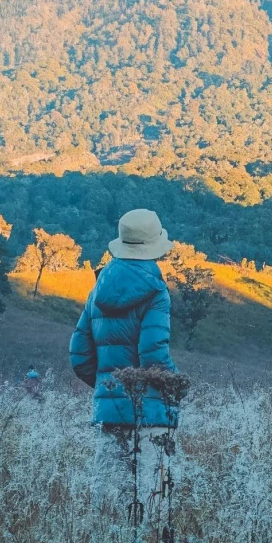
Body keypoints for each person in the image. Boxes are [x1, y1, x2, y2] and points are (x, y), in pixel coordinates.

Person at [69, 208, 178, 505]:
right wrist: (175, 389)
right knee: (152, 504)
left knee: (107, 508)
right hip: (152, 415)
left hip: (109, 414)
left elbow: (79, 356)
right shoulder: (156, 291)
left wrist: (112, 387)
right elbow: (154, 354)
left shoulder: (97, 290)